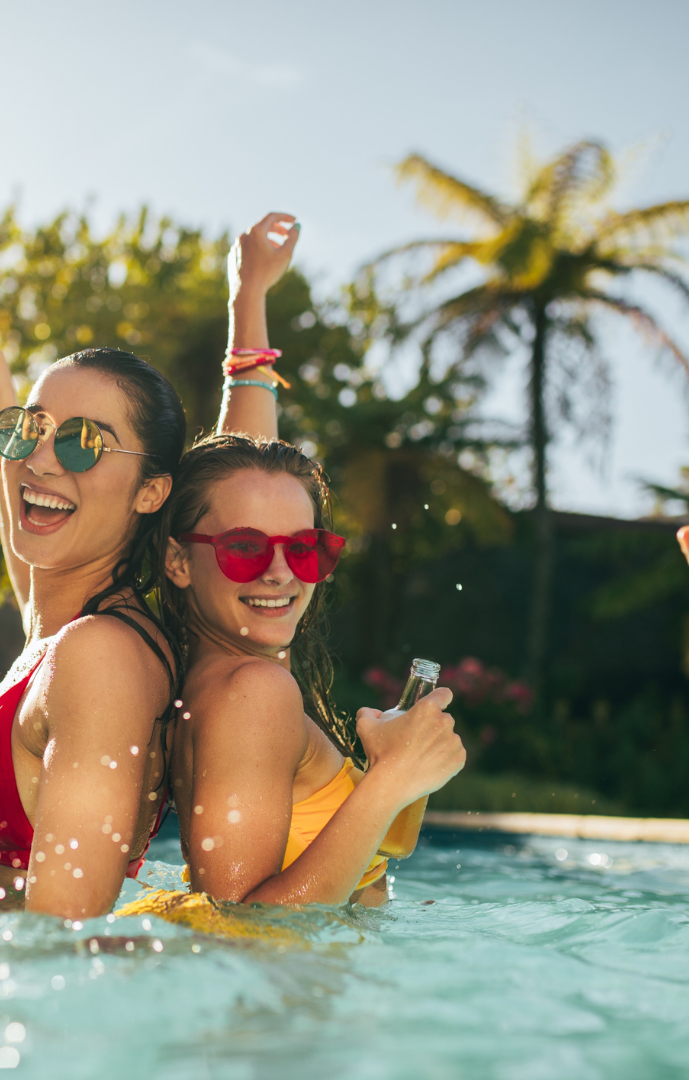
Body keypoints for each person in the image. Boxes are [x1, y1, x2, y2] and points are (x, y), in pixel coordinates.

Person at [154, 216, 466, 908]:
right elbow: (247, 925)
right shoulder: (255, 693)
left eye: (303, 548)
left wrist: (249, 296)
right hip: (284, 1010)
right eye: (243, 550)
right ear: (179, 562)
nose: (279, 572)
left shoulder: (216, 662)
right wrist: (392, 778)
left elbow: (239, 477)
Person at [0, 328, 185, 919]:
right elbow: (34, 587)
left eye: (83, 443)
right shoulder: (63, 631)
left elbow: (62, 940)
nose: (39, 459)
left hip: (5, 997)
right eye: (30, 428)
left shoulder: (100, 658)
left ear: (151, 491)